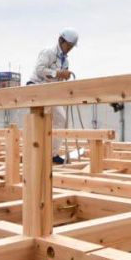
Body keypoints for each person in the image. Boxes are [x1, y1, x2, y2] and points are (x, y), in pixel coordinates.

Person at [31, 28, 79, 164]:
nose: (69, 49)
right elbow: (39, 70)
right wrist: (58, 73)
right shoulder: (48, 52)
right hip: (37, 88)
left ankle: (52, 154)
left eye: (71, 47)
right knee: (40, 122)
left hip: (51, 92)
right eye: (68, 46)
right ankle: (36, 154)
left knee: (61, 119)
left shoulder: (65, 61)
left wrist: (64, 78)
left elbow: (59, 79)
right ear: (61, 41)